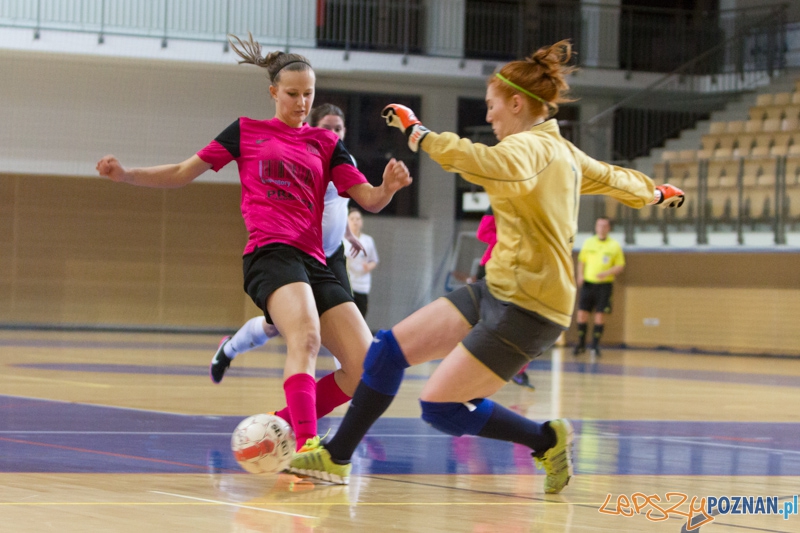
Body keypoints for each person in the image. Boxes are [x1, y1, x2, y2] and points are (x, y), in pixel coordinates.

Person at [288, 39, 685, 490]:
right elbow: (615, 178)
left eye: (493, 107)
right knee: (387, 350)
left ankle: (545, 438)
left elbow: (480, 162)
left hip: (531, 305)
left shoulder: (528, 150)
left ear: (517, 103)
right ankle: (337, 457)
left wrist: (418, 133)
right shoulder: (565, 153)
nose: (490, 116)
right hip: (498, 287)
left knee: (439, 408)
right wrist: (654, 192)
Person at [95, 33, 412, 451]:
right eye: (293, 94)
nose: (302, 103)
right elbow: (181, 171)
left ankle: (281, 424)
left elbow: (368, 199)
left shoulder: (327, 143)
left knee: (364, 368)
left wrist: (387, 188)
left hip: (316, 261)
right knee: (306, 339)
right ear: (273, 92)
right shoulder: (246, 132)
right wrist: (127, 174)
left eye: (309, 95)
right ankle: (305, 446)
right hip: (271, 253)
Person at [210, 103, 365, 381]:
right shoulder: (304, 156)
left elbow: (338, 207)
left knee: (348, 340)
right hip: (297, 253)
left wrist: (349, 235)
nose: (332, 133)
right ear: (312, 128)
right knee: (280, 329)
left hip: (332, 256)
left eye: (338, 128)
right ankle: (230, 348)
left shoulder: (346, 160)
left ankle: (322, 403)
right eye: (326, 128)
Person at [476, 206, 533, 389]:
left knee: (522, 323)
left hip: (521, 272)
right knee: (487, 321)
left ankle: (518, 369)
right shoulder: (498, 204)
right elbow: (483, 233)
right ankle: (478, 365)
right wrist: (509, 244)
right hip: (494, 268)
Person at [573, 217, 625, 358]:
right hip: (588, 284)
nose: (601, 228)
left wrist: (607, 272)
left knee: (600, 315)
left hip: (604, 285)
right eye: (599, 225)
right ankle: (581, 344)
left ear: (608, 228)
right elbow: (581, 261)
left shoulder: (614, 246)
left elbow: (620, 266)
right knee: (582, 313)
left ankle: (595, 346)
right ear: (596, 227)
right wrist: (580, 275)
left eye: (604, 226)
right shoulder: (588, 242)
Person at [343, 208, 379, 319]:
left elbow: (374, 260)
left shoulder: (368, 240)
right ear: (347, 221)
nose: (355, 221)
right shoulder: (343, 240)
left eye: (358, 219)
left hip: (362, 285)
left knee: (361, 317)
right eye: (352, 219)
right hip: (348, 285)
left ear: (362, 221)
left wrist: (368, 266)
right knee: (347, 317)